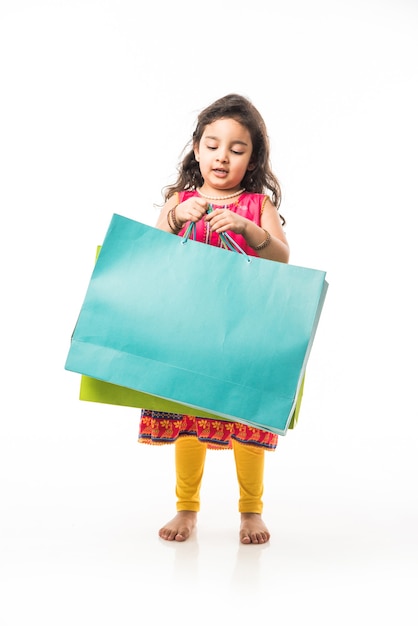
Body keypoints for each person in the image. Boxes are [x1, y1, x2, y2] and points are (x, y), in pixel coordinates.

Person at [138, 93, 290, 545]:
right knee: (188, 420)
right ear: (197, 148)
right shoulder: (178, 199)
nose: (222, 156)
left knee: (247, 422)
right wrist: (172, 217)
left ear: (252, 158)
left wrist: (251, 230)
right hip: (185, 333)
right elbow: (148, 255)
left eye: (237, 149)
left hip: (241, 332)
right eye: (212, 144)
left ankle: (251, 511)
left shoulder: (255, 205)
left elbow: (282, 259)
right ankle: (186, 507)